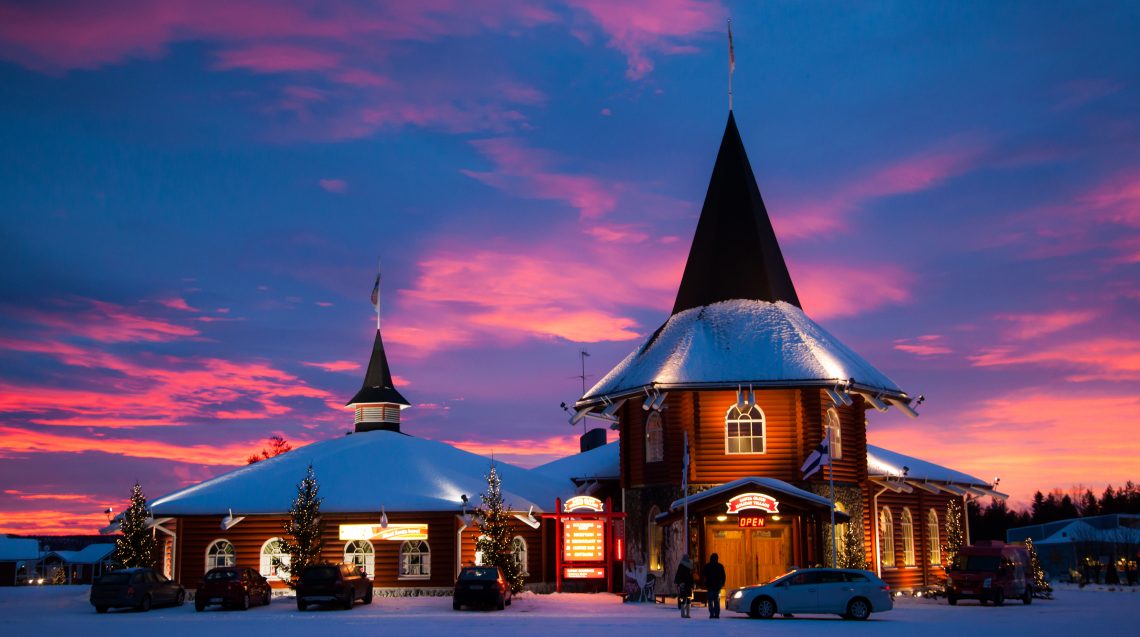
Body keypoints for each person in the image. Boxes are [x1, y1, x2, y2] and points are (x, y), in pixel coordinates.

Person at [703, 553, 726, 618]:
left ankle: (712, 613)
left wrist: (705, 584)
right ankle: (716, 614)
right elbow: (723, 576)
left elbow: (704, 575)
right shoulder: (720, 566)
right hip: (717, 586)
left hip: (710, 586)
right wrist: (722, 583)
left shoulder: (707, 566)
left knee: (710, 601)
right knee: (716, 601)